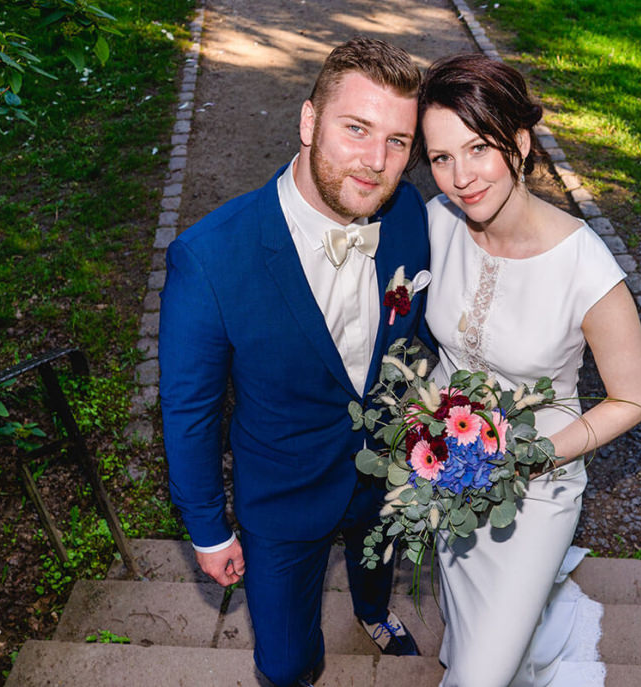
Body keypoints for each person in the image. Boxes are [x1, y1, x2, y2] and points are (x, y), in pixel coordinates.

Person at [158, 37, 428, 687]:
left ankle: (371, 610)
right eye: (357, 128)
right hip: (282, 495)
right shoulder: (211, 257)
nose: (376, 162)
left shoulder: (409, 214)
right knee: (283, 662)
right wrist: (207, 528)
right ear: (308, 122)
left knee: (376, 563)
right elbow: (188, 409)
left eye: (398, 141)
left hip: (385, 470)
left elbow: (419, 337)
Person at [417, 53, 641, 687]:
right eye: (441, 158)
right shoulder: (437, 224)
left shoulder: (586, 269)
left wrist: (534, 456)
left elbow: (633, 397)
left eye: (478, 149)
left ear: (519, 145)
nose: (460, 177)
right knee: (472, 627)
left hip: (536, 490)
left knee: (481, 677)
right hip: (444, 465)